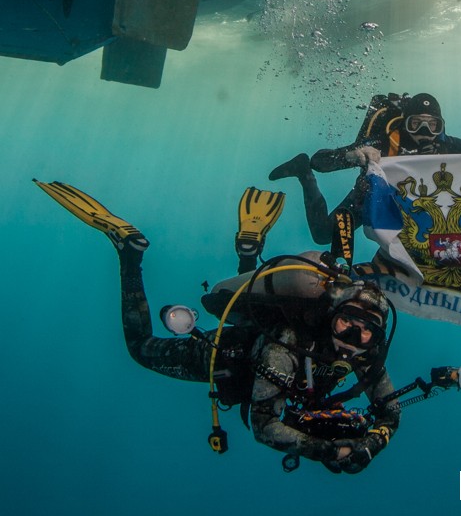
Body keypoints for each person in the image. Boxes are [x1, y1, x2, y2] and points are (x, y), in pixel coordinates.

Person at [33, 180, 400, 474]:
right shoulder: (288, 343)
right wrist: (326, 450)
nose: (353, 336)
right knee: (141, 348)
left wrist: (370, 445)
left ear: (379, 335)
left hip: (265, 343)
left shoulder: (367, 355)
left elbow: (391, 412)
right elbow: (264, 425)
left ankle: (247, 253)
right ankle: (129, 253)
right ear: (332, 314)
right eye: (346, 322)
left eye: (366, 329)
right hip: (229, 356)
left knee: (249, 310)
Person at [269, 92, 461, 245]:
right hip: (372, 198)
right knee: (322, 235)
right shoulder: (383, 141)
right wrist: (353, 156)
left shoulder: (447, 144)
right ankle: (302, 175)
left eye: (432, 125)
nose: (424, 131)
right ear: (405, 123)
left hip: (414, 209)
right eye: (416, 123)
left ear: (440, 127)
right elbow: (319, 161)